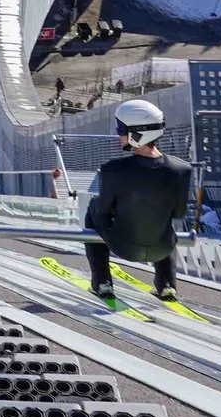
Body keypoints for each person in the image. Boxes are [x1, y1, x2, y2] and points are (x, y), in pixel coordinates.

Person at [84, 99, 196, 301]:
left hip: (124, 247)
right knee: (164, 222)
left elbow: (103, 210)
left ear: (137, 133)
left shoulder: (113, 170)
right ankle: (167, 284)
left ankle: (102, 282)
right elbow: (179, 213)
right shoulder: (182, 170)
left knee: (93, 209)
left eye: (121, 129)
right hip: (161, 247)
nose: (119, 134)